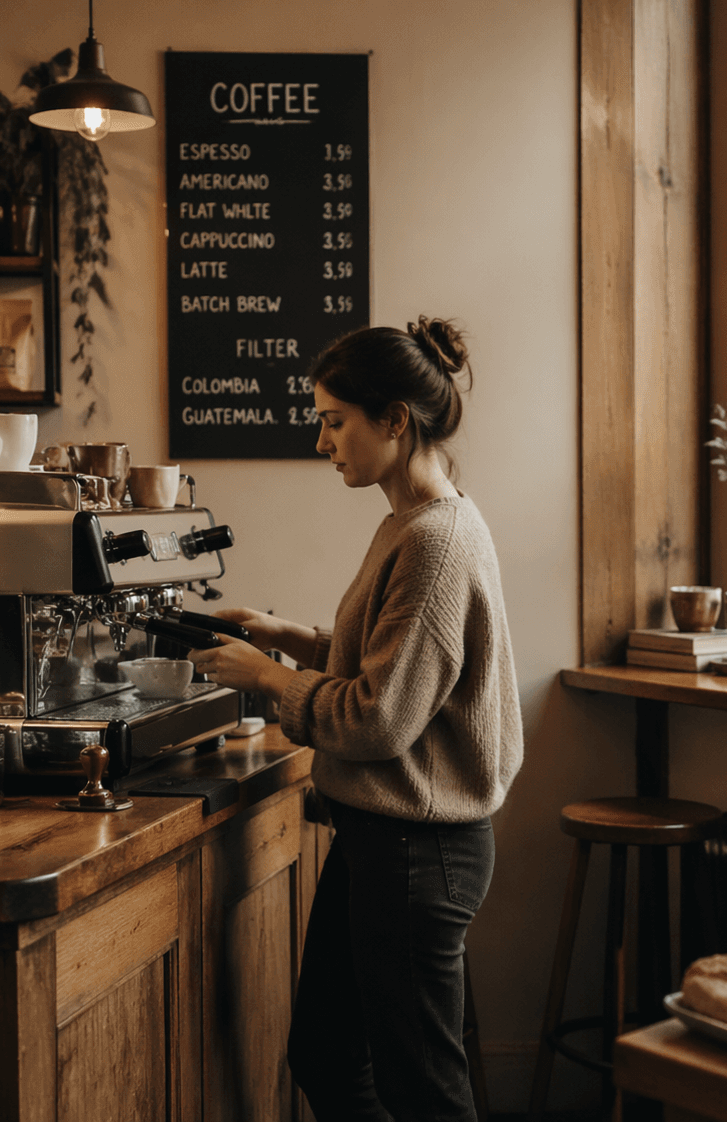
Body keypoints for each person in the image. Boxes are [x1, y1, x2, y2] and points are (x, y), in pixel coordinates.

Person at [187, 317, 524, 1122]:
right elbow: (397, 660)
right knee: (329, 1057)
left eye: (335, 420)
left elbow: (378, 720)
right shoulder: (414, 524)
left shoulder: (436, 541)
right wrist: (289, 637)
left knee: (424, 1094)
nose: (321, 440)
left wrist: (268, 678)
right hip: (388, 842)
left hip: (417, 851)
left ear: (395, 420)